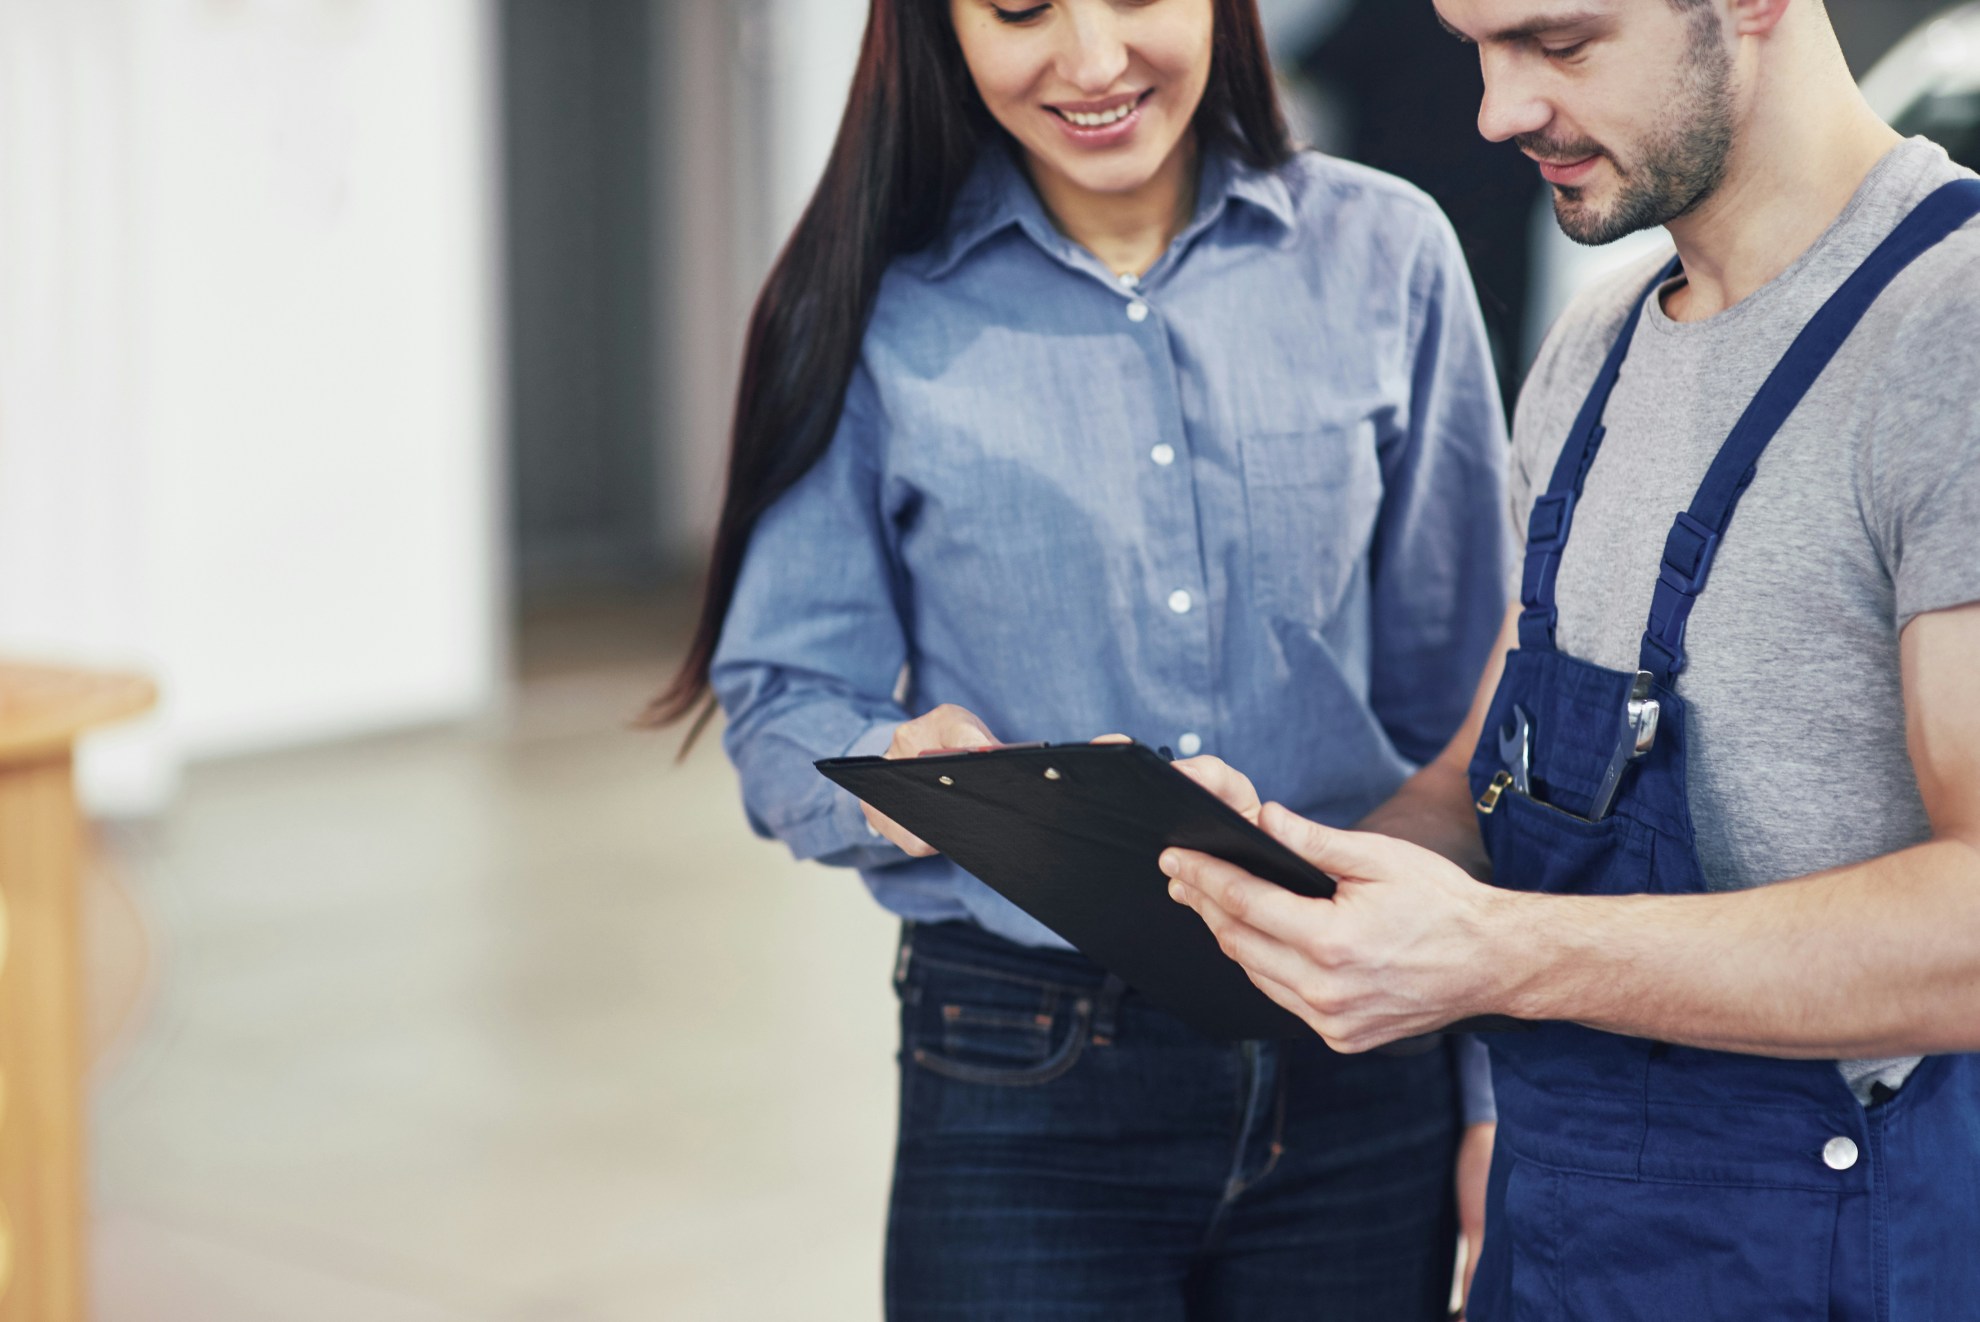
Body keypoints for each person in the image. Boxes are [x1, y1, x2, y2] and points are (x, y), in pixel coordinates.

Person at [648, 0, 1513, 1316]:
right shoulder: (872, 303)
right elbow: (780, 705)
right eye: (1019, 9)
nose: (1093, 60)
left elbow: (1475, 732)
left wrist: (1494, 1096)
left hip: (1362, 1051)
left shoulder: (1387, 254)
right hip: (1023, 1068)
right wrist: (898, 770)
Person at [1159, 0, 1980, 1317]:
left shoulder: (1951, 325)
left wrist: (1493, 951)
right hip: (1563, 1253)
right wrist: (1277, 868)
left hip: (1830, 1261)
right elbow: (1475, 796)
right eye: (1479, 46)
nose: (1497, 110)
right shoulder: (1592, 354)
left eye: (1560, 42)